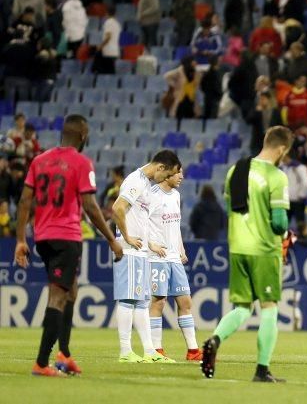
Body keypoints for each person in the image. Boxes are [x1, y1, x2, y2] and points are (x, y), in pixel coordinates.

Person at [14, 115, 123, 377]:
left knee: (71, 291)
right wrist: (111, 239)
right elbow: (90, 206)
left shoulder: (39, 160)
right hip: (66, 237)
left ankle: (64, 354)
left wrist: (20, 240)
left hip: (43, 238)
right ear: (83, 136)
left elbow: (24, 201)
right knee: (58, 296)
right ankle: (42, 363)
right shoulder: (81, 162)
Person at [201, 126, 294, 382]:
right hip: (263, 249)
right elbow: (279, 223)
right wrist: (287, 233)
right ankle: (262, 370)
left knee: (242, 307)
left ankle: (214, 339)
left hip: (237, 247)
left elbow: (234, 208)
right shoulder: (276, 176)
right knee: (269, 307)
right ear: (282, 149)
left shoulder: (236, 170)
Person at [111, 150, 181, 363]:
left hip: (141, 251)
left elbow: (141, 219)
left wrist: (148, 243)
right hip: (129, 250)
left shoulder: (148, 187)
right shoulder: (135, 181)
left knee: (142, 301)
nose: (166, 179)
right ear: (160, 168)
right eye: (166, 175)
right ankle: (125, 351)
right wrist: (127, 237)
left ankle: (150, 351)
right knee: (128, 298)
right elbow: (117, 208)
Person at [145, 168, 201, 362]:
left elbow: (175, 225)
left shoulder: (176, 195)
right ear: (168, 174)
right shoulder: (152, 195)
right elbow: (140, 221)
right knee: (158, 302)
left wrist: (181, 248)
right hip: (156, 256)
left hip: (174, 256)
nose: (182, 177)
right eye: (179, 173)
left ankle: (193, 351)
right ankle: (156, 350)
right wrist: (150, 243)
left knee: (185, 302)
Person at [280, 151, 307, 226]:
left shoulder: (299, 167)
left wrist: (301, 195)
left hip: (297, 200)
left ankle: (302, 237)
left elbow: (305, 182)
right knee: (285, 224)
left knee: (300, 223)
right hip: (286, 201)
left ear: (287, 155)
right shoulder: (283, 167)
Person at [94, 5, 121, 74]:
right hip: (115, 51)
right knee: (111, 71)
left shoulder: (108, 22)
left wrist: (100, 46)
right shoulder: (117, 24)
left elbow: (108, 37)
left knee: (106, 72)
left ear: (106, 13)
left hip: (108, 51)